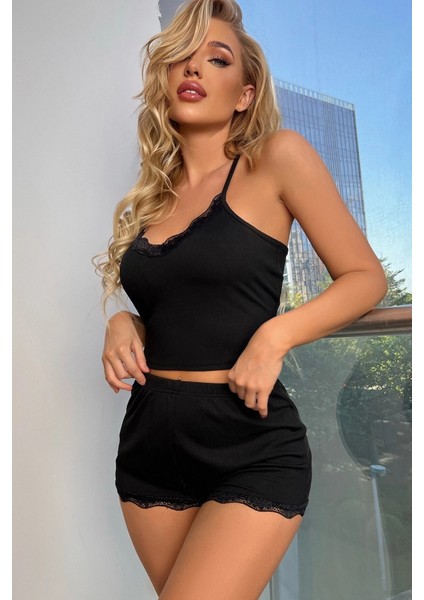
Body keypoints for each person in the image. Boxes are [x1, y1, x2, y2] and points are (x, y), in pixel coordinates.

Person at [92, 0, 387, 598]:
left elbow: (365, 278)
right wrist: (125, 321)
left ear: (245, 95)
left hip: (249, 443)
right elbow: (181, 308)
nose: (192, 69)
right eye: (181, 57)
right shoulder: (152, 196)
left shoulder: (276, 159)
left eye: (217, 59)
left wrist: (274, 336)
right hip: (151, 441)